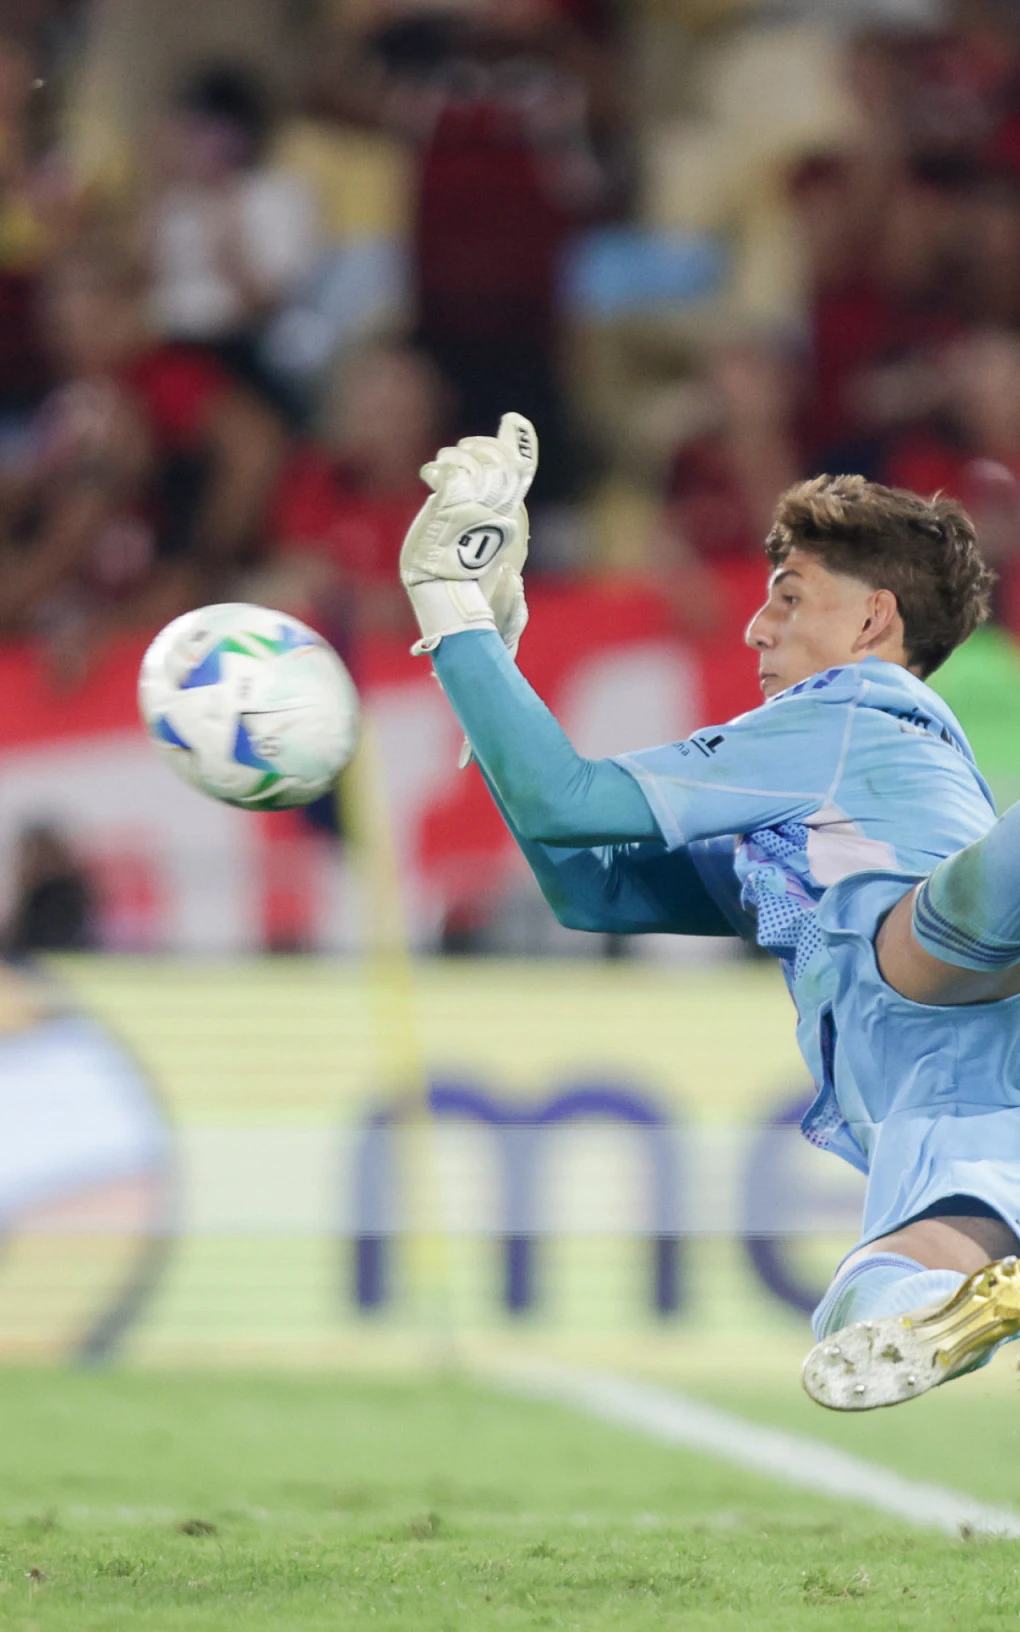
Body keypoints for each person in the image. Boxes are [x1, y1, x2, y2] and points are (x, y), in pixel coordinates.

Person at [397, 412, 1020, 1411]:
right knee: (869, 1315)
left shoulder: (848, 706)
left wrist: (452, 610)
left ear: (870, 624)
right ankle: (959, 1308)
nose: (754, 627)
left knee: (948, 920)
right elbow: (585, 884)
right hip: (946, 1083)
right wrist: (491, 664)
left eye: (789, 597)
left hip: (929, 962)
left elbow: (571, 800)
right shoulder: (807, 811)